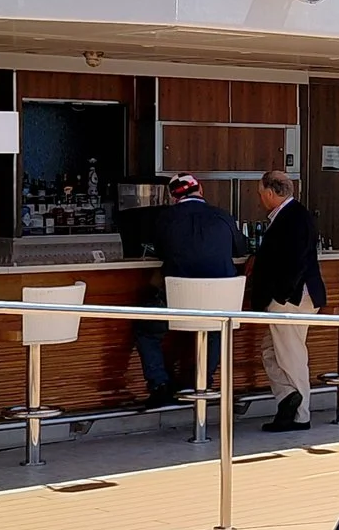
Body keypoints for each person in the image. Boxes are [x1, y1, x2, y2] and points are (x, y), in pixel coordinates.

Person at [122, 174, 245, 408]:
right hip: (219, 305)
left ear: (172, 196)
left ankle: (160, 386)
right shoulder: (223, 216)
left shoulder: (163, 218)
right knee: (217, 329)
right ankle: (201, 383)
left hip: (178, 302)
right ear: (201, 189)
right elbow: (241, 249)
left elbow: (157, 251)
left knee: (146, 327)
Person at [245, 168, 325, 431]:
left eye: (260, 193)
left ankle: (300, 415)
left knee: (291, 355)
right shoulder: (293, 215)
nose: (260, 199)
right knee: (272, 352)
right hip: (295, 295)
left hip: (291, 298)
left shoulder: (292, 218)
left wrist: (281, 295)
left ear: (270, 192)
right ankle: (288, 399)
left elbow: (294, 261)